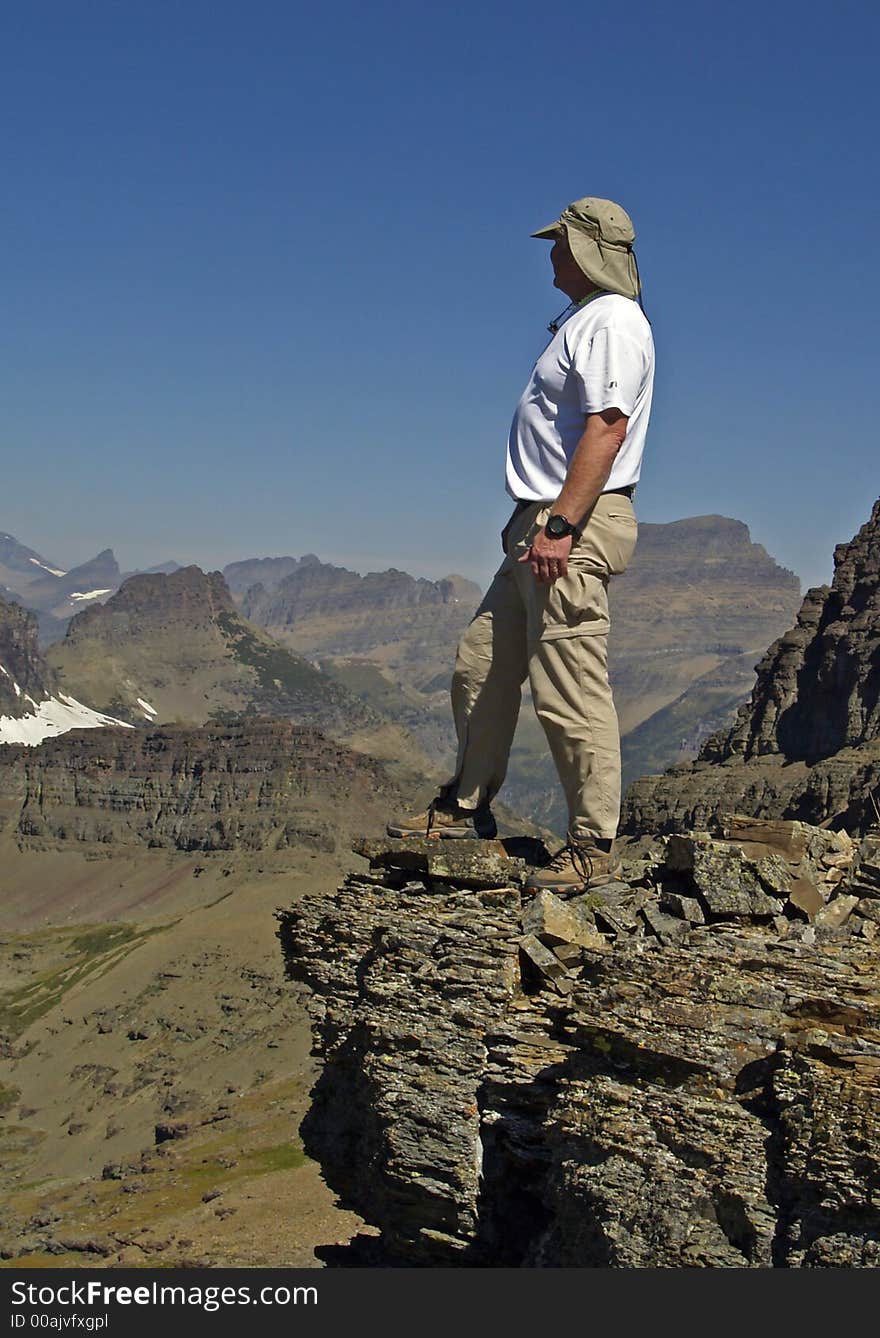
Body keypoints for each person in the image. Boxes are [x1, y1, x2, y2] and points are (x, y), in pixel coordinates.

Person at [388, 196, 655, 892]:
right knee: (480, 662)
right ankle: (466, 806)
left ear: (590, 249)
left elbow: (608, 428)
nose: (550, 255)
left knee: (569, 687)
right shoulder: (587, 320)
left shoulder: (613, 323)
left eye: (560, 243)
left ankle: (591, 846)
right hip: (537, 525)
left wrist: (562, 525)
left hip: (569, 524)